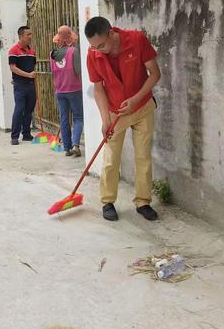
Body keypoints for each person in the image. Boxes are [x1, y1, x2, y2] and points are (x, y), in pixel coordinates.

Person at [85, 16, 161, 222]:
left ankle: (143, 202)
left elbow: (155, 73)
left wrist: (136, 100)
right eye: (93, 47)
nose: (98, 50)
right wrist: (105, 120)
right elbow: (99, 89)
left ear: (111, 33)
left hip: (142, 107)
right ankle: (107, 201)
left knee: (143, 156)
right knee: (111, 158)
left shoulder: (136, 40)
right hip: (114, 112)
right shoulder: (93, 54)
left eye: (101, 45)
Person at [50, 25, 83, 157]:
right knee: (78, 117)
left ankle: (67, 148)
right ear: (70, 38)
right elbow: (78, 70)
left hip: (60, 90)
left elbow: (53, 73)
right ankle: (76, 145)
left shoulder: (51, 54)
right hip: (74, 89)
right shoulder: (73, 51)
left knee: (64, 119)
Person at [8, 26, 37, 145]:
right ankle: (14, 136)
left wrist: (33, 78)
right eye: (28, 34)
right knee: (19, 109)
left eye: (31, 34)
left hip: (31, 85)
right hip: (20, 85)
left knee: (29, 110)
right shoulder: (13, 51)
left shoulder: (32, 51)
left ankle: (26, 134)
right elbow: (13, 68)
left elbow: (32, 68)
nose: (30, 37)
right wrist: (28, 75)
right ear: (20, 36)